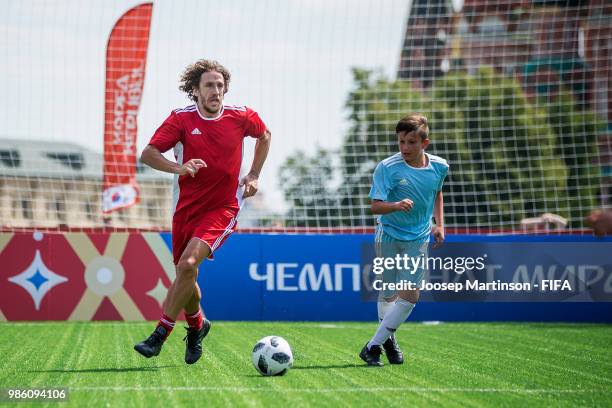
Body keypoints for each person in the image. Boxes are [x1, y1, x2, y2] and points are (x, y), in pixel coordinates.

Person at [134, 60, 271, 364]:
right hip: (185, 210)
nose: (216, 91)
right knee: (186, 272)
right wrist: (179, 167)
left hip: (223, 208)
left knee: (189, 263)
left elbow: (265, 136)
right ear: (194, 90)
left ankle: (160, 334)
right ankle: (198, 324)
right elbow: (148, 153)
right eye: (209, 85)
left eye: (220, 86)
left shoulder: (241, 116)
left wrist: (253, 175)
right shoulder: (181, 119)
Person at [360, 114, 448, 366]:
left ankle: (372, 346)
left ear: (425, 143)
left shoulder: (440, 167)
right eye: (401, 142)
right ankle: (388, 341)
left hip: (418, 238)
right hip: (388, 234)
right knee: (388, 294)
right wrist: (396, 205)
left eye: (411, 142)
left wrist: (438, 224)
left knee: (409, 297)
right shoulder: (387, 167)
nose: (405, 148)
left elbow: (437, 192)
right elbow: (375, 207)